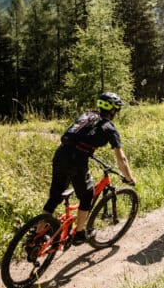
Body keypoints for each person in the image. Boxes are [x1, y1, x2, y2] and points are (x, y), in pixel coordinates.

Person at [43, 91, 136, 244]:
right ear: (113, 110)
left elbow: (79, 137)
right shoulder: (109, 128)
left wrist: (87, 150)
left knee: (54, 198)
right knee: (87, 196)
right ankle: (79, 234)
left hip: (60, 154)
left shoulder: (87, 115)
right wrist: (129, 178)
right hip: (76, 161)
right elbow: (122, 160)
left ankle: (38, 233)